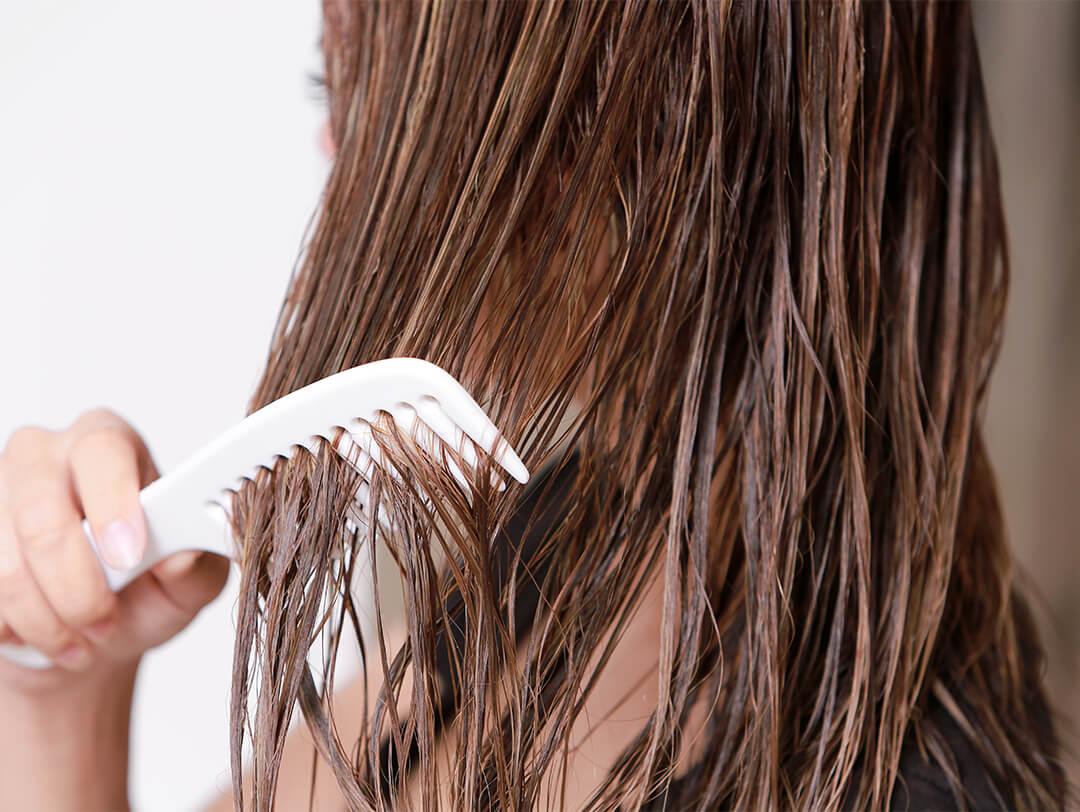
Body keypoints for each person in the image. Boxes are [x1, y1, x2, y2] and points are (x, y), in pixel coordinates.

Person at [0, 1, 1067, 810]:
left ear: (691, 144)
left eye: (393, 103)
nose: (345, 166)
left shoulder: (917, 777)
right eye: (333, 88)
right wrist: (64, 689)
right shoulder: (566, 543)